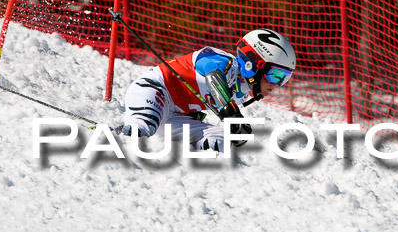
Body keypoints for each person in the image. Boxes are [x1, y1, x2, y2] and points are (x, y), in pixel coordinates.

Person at [115, 28, 295, 152]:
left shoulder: (241, 93)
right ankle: (115, 135)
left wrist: (236, 131)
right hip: (154, 91)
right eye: (276, 75)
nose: (278, 84)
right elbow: (212, 76)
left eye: (285, 78)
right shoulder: (222, 61)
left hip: (172, 116)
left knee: (220, 140)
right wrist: (230, 112)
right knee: (142, 130)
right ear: (253, 64)